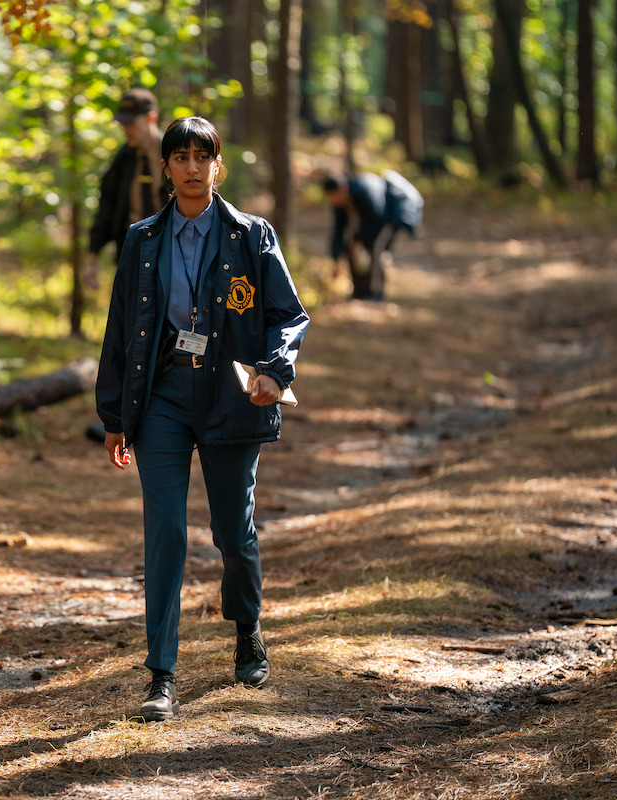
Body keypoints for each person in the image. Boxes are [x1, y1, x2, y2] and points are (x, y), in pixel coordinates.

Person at [96, 117, 309, 722]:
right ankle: (161, 674)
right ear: (164, 167)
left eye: (202, 156)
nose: (192, 167)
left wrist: (275, 369)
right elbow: (118, 329)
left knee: (232, 534)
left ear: (219, 165)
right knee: (164, 533)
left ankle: (247, 629)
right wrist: (114, 414)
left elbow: (288, 314)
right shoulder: (142, 239)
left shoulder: (252, 236)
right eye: (180, 156)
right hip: (161, 397)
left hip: (230, 396)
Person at [84, 88, 170, 290]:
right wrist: (93, 256)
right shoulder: (122, 160)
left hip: (172, 252)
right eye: (123, 124)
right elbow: (107, 207)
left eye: (131, 123)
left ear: (151, 118)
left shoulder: (176, 154)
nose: (126, 130)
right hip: (132, 254)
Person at [322, 170, 423, 301]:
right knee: (352, 250)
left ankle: (376, 293)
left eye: (334, 196)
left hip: (387, 218)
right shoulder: (339, 203)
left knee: (375, 250)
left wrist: (359, 240)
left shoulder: (363, 190)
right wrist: (336, 258)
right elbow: (339, 230)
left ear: (341, 189)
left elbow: (377, 217)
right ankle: (359, 292)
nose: (334, 201)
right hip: (373, 222)